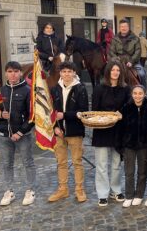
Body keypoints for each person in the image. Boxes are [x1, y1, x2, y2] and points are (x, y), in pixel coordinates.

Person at [91, 61, 131, 206]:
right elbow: (94, 111)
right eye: (113, 70)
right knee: (101, 164)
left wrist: (122, 114)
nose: (115, 72)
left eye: (118, 70)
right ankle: (102, 193)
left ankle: (116, 190)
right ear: (108, 72)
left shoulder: (126, 89)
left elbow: (128, 107)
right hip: (102, 130)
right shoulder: (99, 89)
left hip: (118, 131)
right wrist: (105, 117)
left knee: (115, 164)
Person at [49, 62, 89, 203]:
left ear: (74, 73)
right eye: (64, 71)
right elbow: (51, 111)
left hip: (75, 131)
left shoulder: (80, 89)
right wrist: (55, 127)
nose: (66, 74)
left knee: (77, 162)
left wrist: (64, 115)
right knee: (61, 162)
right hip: (59, 131)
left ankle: (79, 190)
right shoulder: (54, 89)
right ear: (60, 73)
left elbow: (83, 112)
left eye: (69, 71)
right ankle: (63, 189)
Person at [0, 61, 36, 206]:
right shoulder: (1, 91)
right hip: (4, 135)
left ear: (20, 73)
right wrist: (1, 114)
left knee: (28, 162)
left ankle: (30, 190)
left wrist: (20, 132)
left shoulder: (28, 90)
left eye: (15, 71)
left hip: (22, 135)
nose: (12, 74)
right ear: (6, 73)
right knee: (7, 164)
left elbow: (32, 116)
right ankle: (9, 191)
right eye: (9, 71)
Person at [120, 85, 147, 207]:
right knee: (129, 171)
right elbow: (120, 127)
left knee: (142, 171)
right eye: (135, 93)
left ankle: (139, 195)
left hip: (144, 144)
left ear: (144, 94)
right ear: (132, 95)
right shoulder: (126, 108)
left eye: (140, 93)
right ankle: (129, 195)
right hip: (129, 144)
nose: (138, 96)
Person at [109, 18, 147, 87]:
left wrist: (131, 61)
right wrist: (116, 59)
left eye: (125, 26)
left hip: (132, 62)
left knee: (142, 74)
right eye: (122, 26)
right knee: (107, 73)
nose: (124, 28)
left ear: (128, 27)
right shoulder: (114, 39)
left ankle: (143, 92)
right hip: (118, 62)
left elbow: (138, 51)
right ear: (119, 28)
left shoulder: (135, 38)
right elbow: (111, 51)